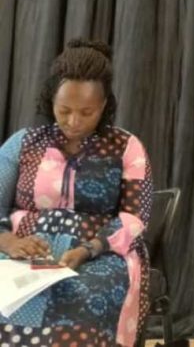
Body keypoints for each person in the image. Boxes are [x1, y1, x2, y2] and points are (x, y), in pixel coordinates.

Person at [0, 39, 153, 346]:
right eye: (64, 110)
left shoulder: (127, 147)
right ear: (50, 101)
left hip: (100, 255)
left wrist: (88, 249)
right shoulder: (23, 142)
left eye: (87, 112)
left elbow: (134, 218)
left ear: (104, 106)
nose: (74, 121)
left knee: (83, 299)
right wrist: (9, 241)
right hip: (19, 252)